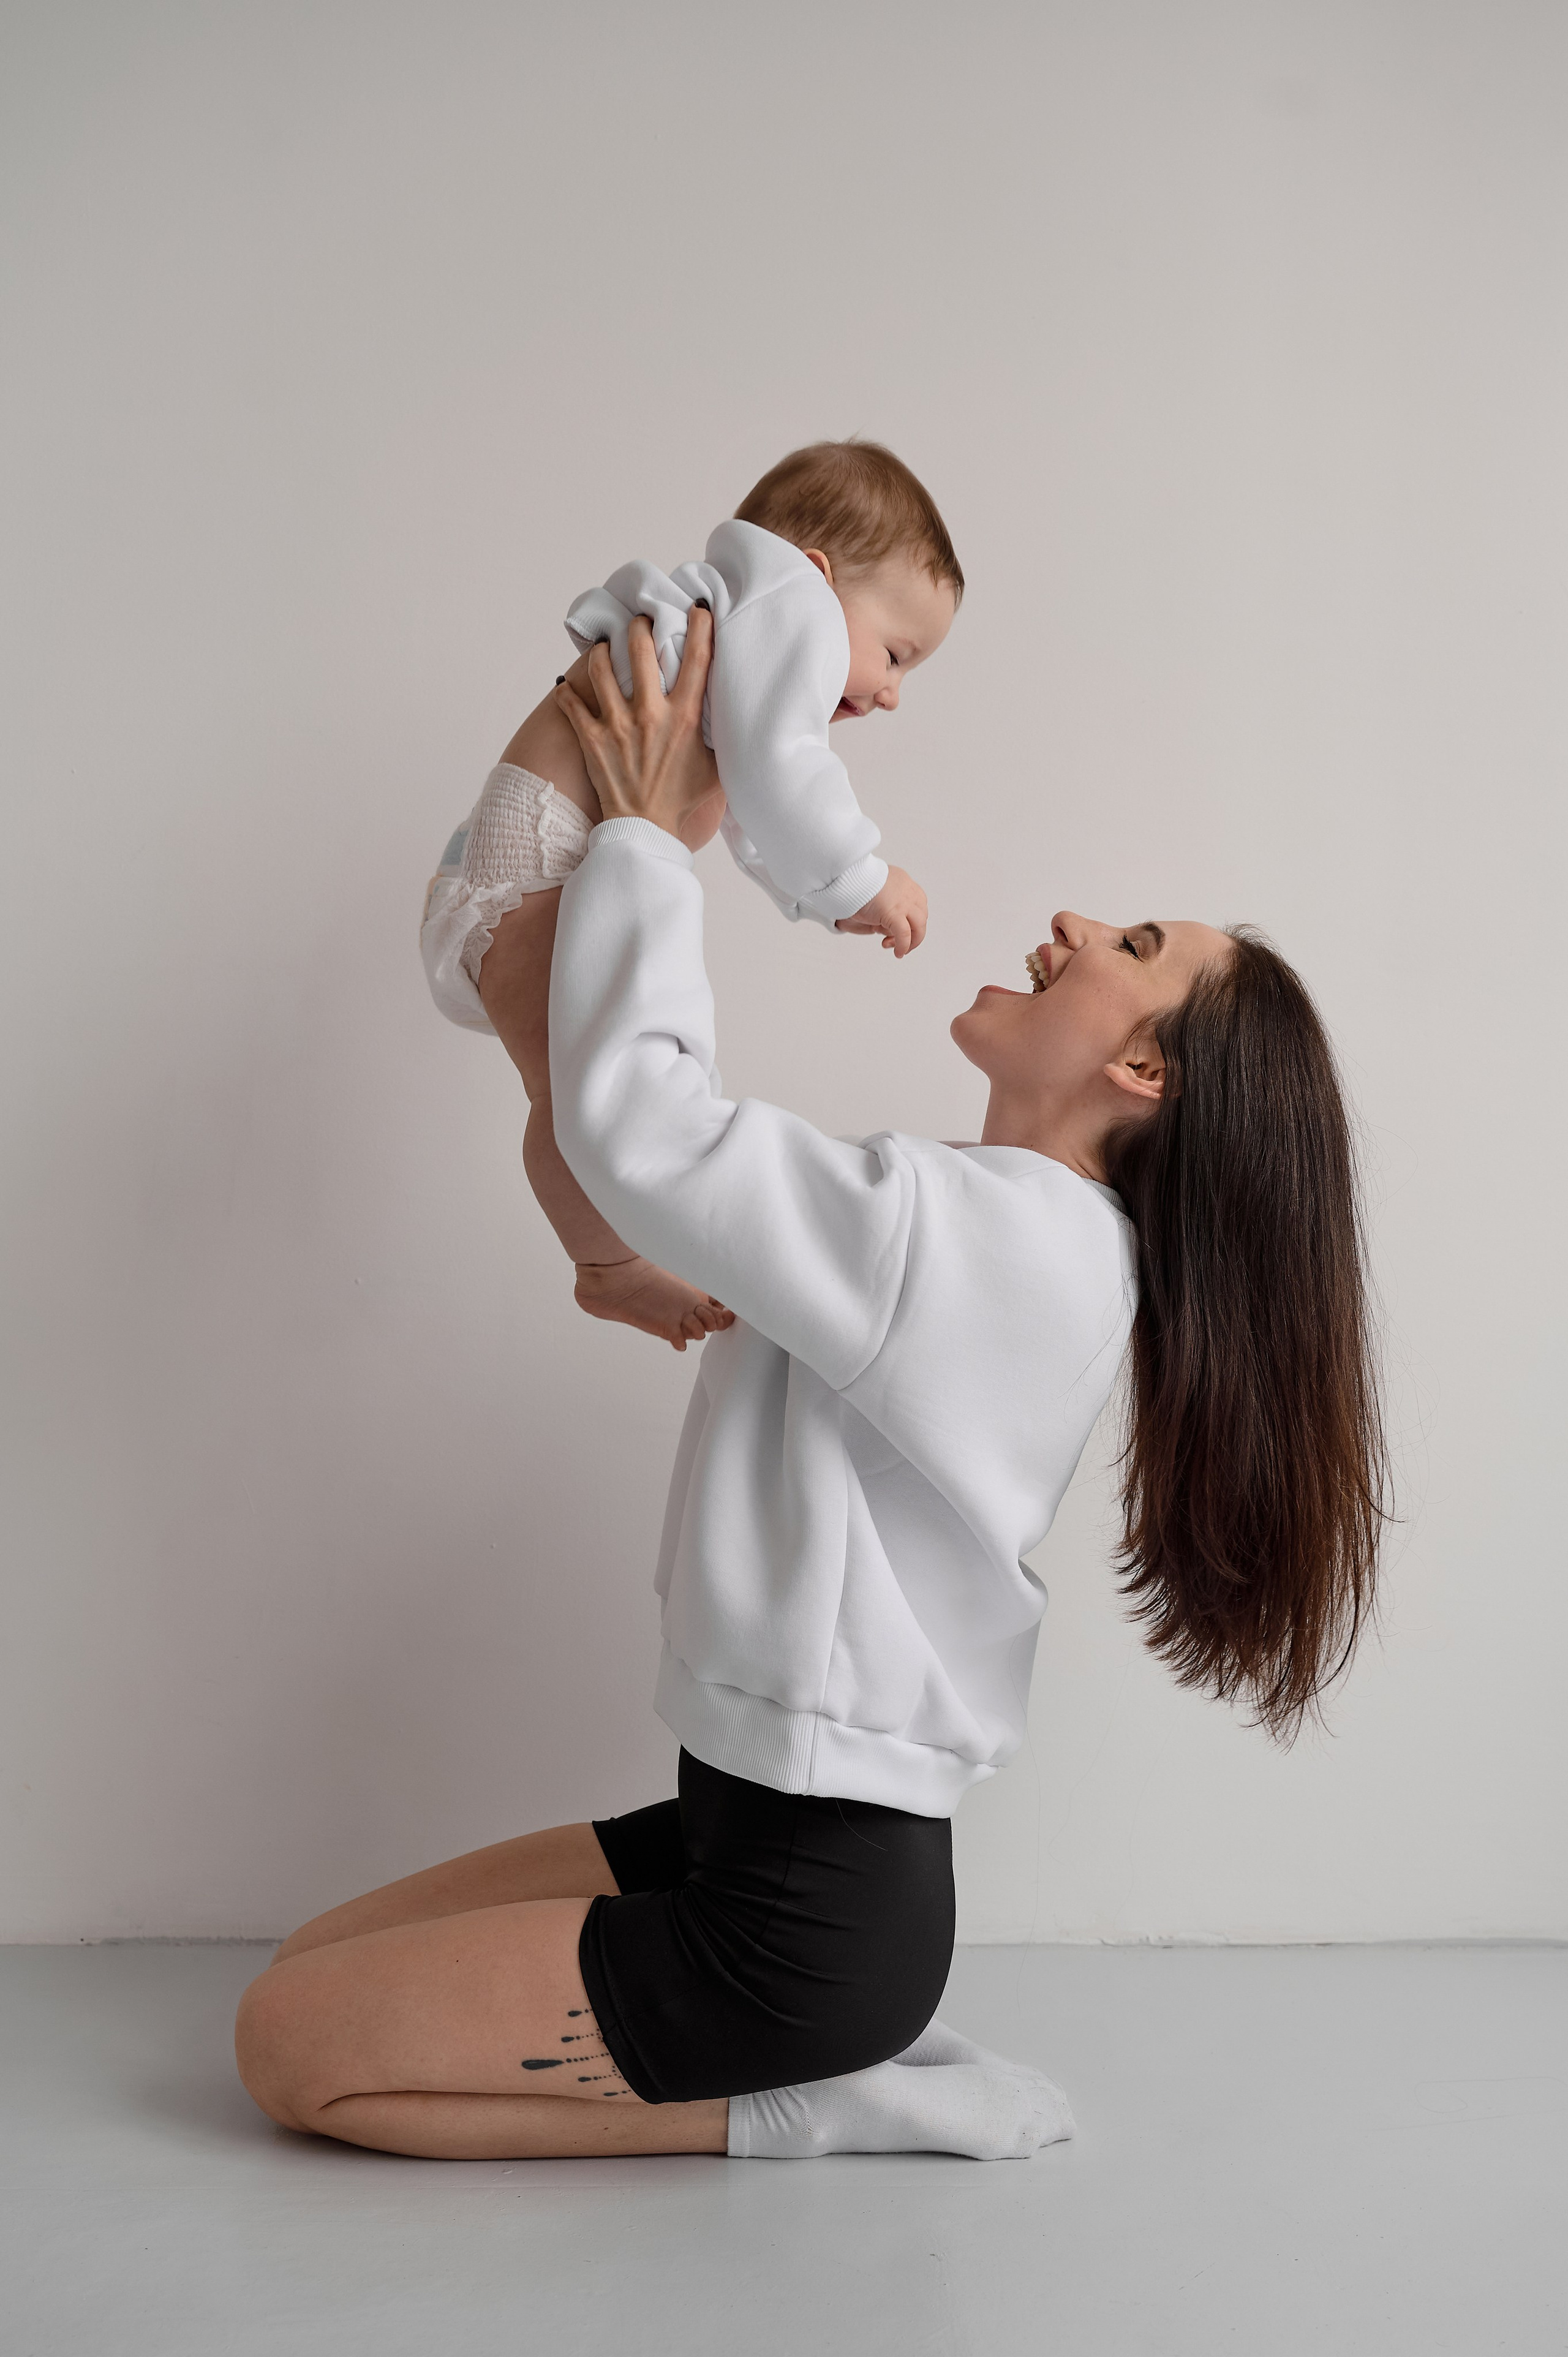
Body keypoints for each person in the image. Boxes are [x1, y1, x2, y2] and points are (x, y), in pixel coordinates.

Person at [236, 611, 1387, 2164]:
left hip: (799, 1916)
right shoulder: (997, 1231)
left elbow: (645, 1129)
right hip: (752, 1837)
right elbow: (641, 1162)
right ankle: (817, 2057)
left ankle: (802, 2097)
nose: (1072, 922)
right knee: (313, 1959)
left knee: (289, 2049)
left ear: (1145, 1074)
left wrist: (645, 837)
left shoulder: (993, 1239)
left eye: (1131, 949)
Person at [420, 440, 960, 1349]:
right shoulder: (792, 605)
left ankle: (617, 1257)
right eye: (896, 653)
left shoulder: (729, 644)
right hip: (535, 867)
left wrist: (825, 901)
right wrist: (866, 875)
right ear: (817, 574)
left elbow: (754, 814)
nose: (894, 693)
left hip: (514, 869)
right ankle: (609, 1269)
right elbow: (785, 772)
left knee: (608, 1078)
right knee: (584, 1095)